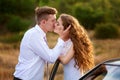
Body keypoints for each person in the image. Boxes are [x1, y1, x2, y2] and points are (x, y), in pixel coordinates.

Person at [13, 6, 70, 80]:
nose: (55, 23)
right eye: (53, 21)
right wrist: (62, 39)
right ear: (43, 22)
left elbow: (48, 56)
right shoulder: (34, 35)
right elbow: (50, 58)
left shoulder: (40, 34)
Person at [54, 13, 95, 80]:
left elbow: (64, 60)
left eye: (58, 24)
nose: (55, 25)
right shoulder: (61, 41)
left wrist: (56, 55)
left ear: (67, 28)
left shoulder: (74, 43)